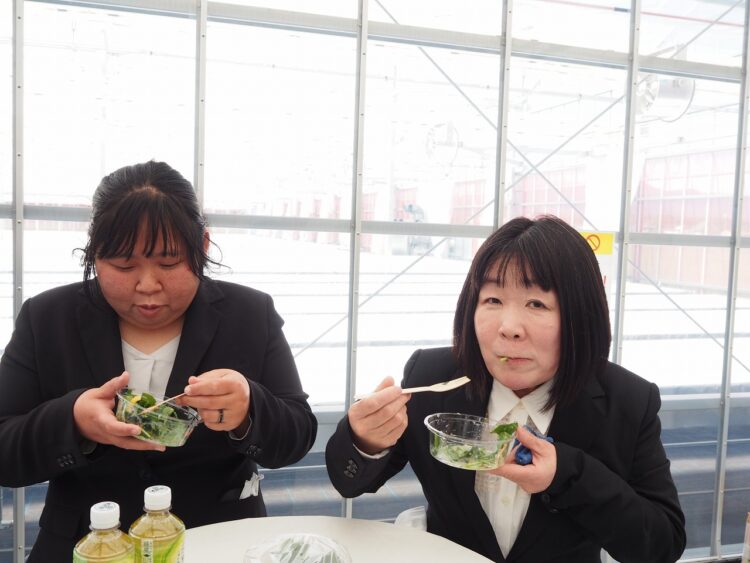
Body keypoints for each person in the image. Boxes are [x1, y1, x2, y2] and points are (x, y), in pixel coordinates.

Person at [0, 161, 318, 562]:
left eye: (169, 263)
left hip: (219, 541)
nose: (148, 285)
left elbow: (297, 435)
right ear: (94, 252)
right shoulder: (47, 318)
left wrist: (249, 409)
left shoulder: (249, 314)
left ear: (202, 246)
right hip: (86, 546)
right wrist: (73, 421)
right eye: (124, 265)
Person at [326, 215, 685, 563]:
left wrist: (566, 475)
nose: (509, 327)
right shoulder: (433, 377)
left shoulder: (626, 402)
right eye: (493, 300)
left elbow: (661, 544)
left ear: (581, 316)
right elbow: (350, 483)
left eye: (536, 303)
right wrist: (366, 440)